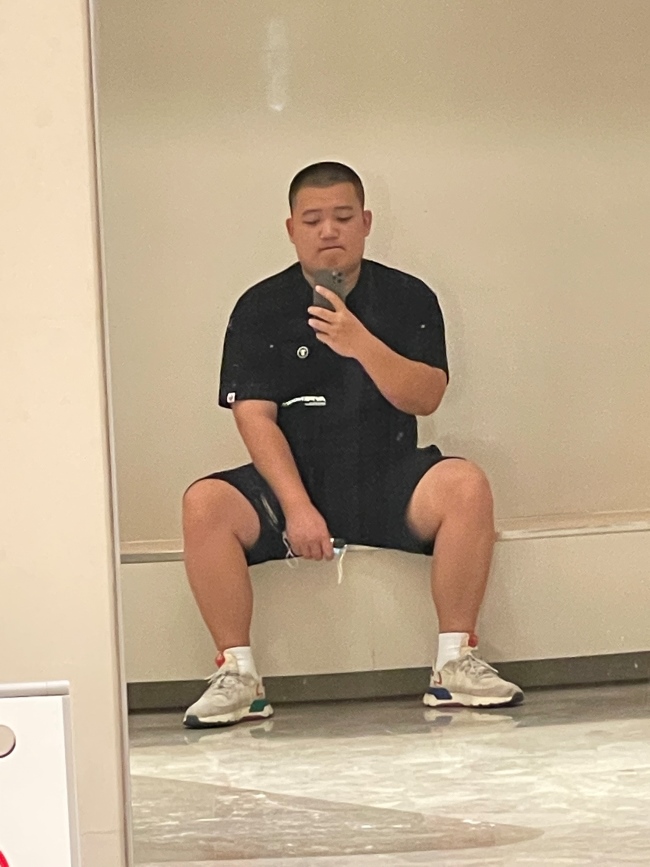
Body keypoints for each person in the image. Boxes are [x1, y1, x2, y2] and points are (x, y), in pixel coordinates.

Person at [182, 161, 523, 728]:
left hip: (388, 478)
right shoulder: (260, 306)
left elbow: (427, 397)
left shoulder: (408, 296)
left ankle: (455, 663)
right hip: (290, 484)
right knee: (204, 504)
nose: (328, 231)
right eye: (313, 220)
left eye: (342, 217)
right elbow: (254, 416)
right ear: (291, 229)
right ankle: (237, 676)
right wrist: (297, 507)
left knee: (467, 485)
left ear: (365, 223)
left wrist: (360, 342)